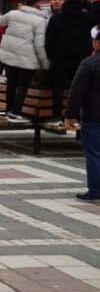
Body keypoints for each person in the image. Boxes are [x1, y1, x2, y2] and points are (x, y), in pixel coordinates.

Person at [0, 0, 50, 123]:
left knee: (11, 85)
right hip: (27, 60)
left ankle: (8, 110)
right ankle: (16, 112)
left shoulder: (13, 14)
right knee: (22, 87)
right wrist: (45, 63)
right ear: (38, 4)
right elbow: (39, 45)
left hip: (10, 57)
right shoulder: (40, 21)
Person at [45, 0, 98, 128]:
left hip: (60, 58)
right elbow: (98, 14)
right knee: (80, 88)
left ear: (66, 0)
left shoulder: (57, 18)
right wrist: (87, 1)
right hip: (81, 58)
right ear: (81, 1)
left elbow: (49, 40)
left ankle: (56, 115)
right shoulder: (86, 17)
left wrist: (51, 56)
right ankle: (77, 116)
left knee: (58, 88)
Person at [65, 25, 100, 201]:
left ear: (98, 43)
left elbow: (76, 92)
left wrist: (70, 115)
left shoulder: (89, 63)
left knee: (94, 153)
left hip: (93, 116)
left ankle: (95, 189)